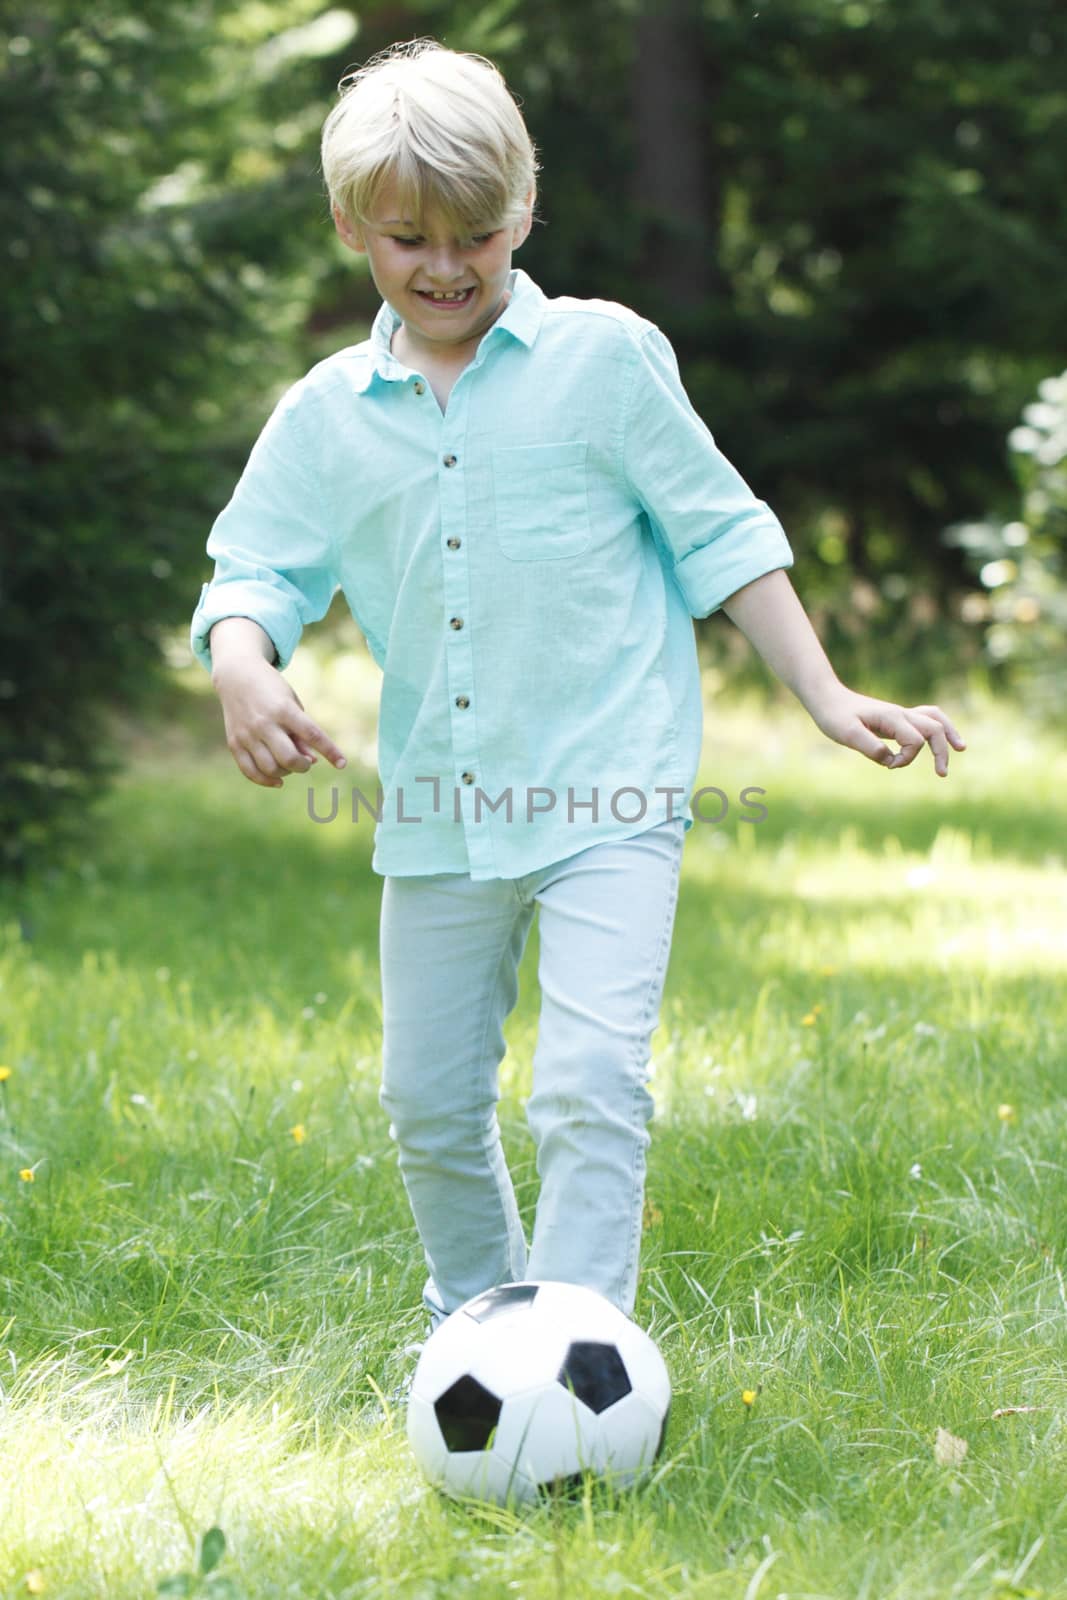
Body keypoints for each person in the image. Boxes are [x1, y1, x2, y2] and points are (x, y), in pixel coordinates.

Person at [190, 40, 965, 1342]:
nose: (446, 266)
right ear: (349, 229)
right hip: (439, 812)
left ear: (526, 214)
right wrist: (241, 665)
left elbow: (724, 531)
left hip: (614, 791)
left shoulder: (603, 361)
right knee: (430, 1101)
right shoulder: (329, 413)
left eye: (477, 236)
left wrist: (828, 697)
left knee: (590, 1085)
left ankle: (578, 1343)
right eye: (407, 238)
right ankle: (479, 1324)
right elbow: (251, 569)